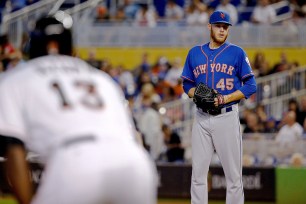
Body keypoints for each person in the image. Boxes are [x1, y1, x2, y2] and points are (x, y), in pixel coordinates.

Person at [0, 14, 157, 204]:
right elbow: (134, 136)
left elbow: (13, 149)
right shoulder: (100, 78)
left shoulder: (16, 79)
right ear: (70, 46)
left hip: (74, 160)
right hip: (133, 163)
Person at [181, 10, 257, 204]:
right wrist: (195, 95)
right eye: (218, 26)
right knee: (198, 175)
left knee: (233, 177)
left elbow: (250, 85)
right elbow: (187, 85)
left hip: (227, 116)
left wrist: (225, 98)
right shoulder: (195, 52)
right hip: (201, 117)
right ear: (209, 27)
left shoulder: (237, 53)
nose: (222, 30)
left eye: (225, 27)